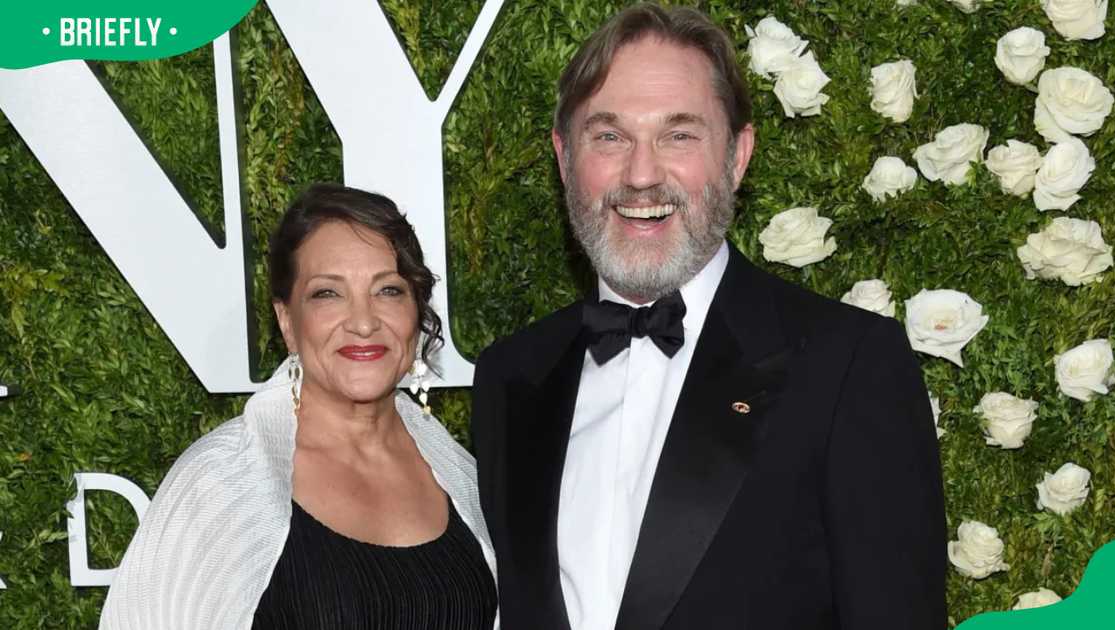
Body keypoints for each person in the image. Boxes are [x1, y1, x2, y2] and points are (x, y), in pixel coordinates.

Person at [471, 4, 946, 629]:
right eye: (609, 136)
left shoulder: (847, 364)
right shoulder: (512, 376)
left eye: (679, 135)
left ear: (738, 155)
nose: (642, 175)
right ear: (563, 157)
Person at [100, 184, 497, 630]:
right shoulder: (220, 481)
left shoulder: (461, 478)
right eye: (328, 293)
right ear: (287, 321)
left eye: (388, 290)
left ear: (416, 311)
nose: (364, 322)